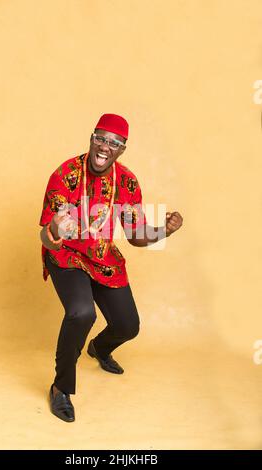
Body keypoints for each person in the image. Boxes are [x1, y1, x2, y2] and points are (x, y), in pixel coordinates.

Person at [39, 113, 183, 422]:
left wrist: (163, 231)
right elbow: (46, 238)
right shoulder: (65, 174)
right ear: (91, 138)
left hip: (102, 257)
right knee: (82, 313)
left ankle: (99, 349)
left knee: (129, 326)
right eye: (101, 138)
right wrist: (53, 231)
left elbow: (136, 237)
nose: (106, 146)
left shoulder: (127, 181)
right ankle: (60, 388)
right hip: (68, 256)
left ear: (122, 149)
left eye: (114, 143)